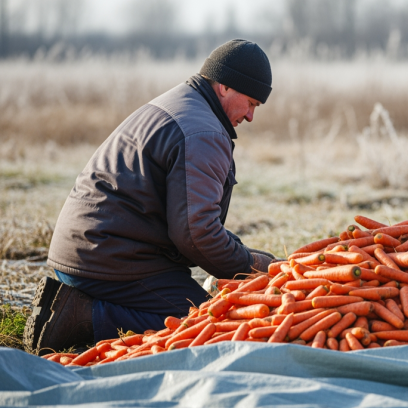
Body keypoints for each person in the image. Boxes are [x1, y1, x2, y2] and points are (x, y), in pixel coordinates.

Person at [24, 39, 278, 355]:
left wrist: (241, 253)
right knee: (206, 323)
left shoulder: (181, 104)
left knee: (205, 312)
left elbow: (192, 224)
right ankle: (83, 316)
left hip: (90, 248)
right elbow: (196, 234)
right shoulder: (205, 133)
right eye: (251, 103)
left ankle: (83, 305)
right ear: (225, 86)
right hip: (106, 258)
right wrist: (251, 264)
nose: (251, 116)